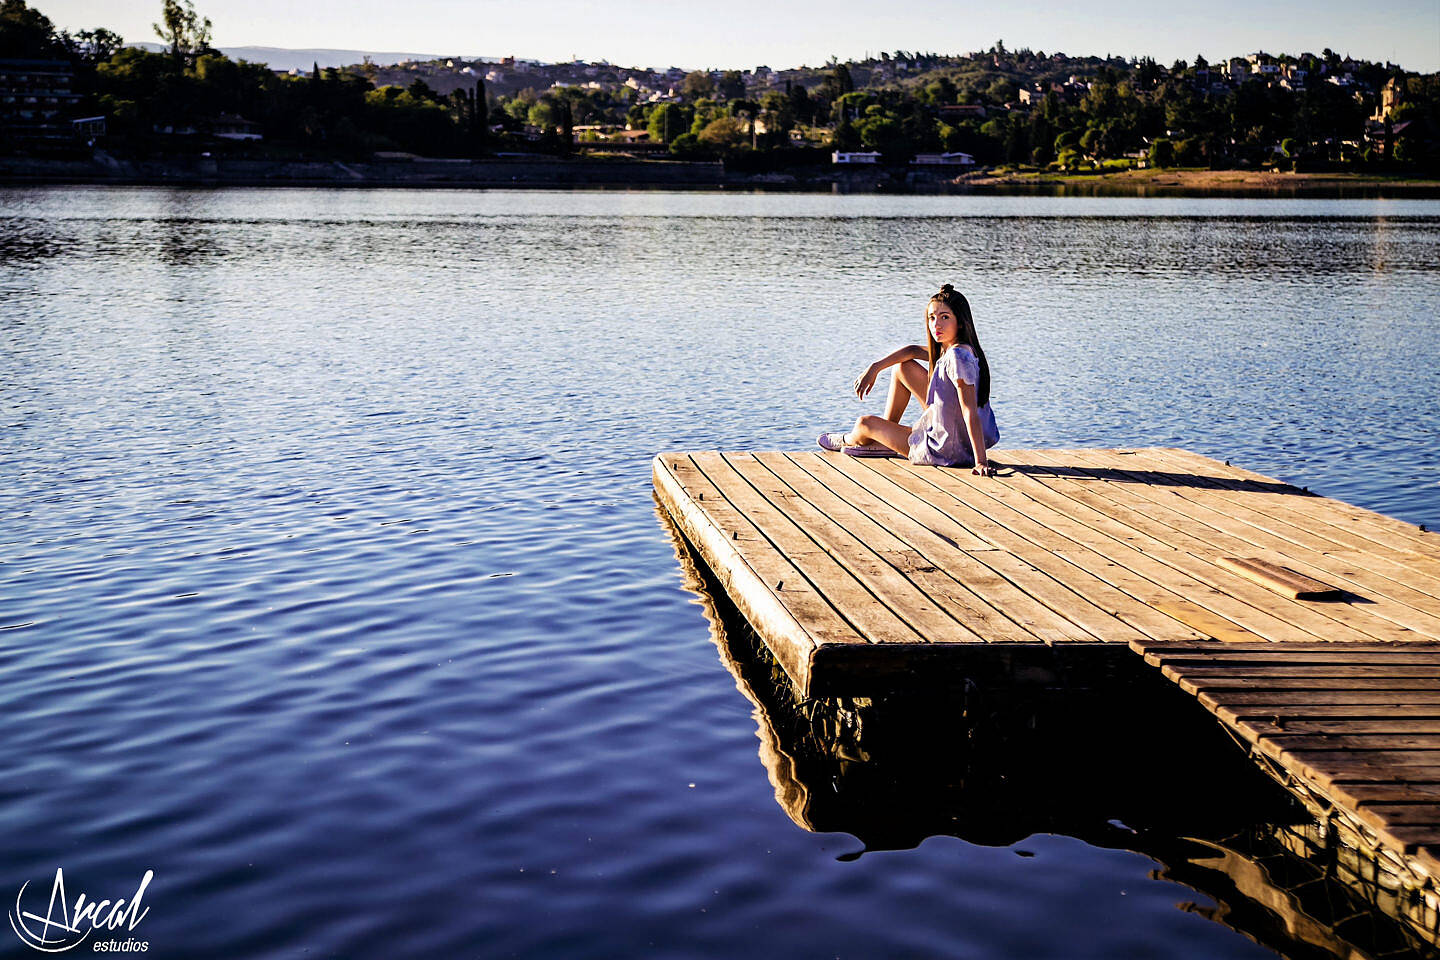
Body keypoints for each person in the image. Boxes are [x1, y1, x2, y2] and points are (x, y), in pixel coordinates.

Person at [818, 284, 999, 476]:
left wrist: (980, 462)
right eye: (932, 318)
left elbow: (968, 409)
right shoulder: (958, 350)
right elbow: (911, 351)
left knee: (864, 424)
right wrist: (875, 367)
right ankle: (883, 440)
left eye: (945, 317)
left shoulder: (957, 358)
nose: (936, 324)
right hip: (955, 438)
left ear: (960, 322)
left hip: (945, 450)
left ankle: (848, 439)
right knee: (903, 367)